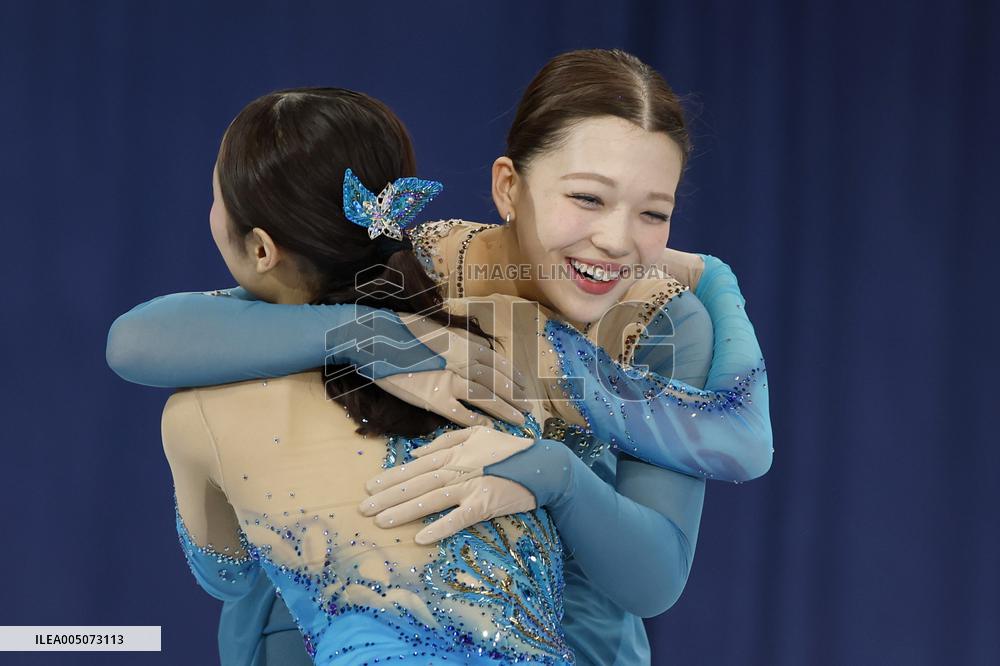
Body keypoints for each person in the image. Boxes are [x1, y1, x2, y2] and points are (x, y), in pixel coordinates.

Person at [108, 50, 770, 666]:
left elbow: (662, 564)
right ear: (508, 186)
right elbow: (146, 339)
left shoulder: (661, 322)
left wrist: (714, 284)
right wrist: (371, 337)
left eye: (655, 213)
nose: (617, 239)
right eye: (587, 198)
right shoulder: (412, 261)